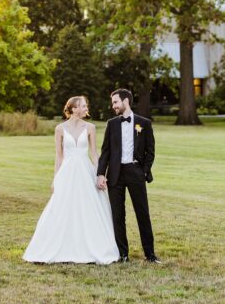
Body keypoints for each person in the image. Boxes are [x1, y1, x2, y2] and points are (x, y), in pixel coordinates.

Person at [23, 96, 120, 264]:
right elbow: (59, 157)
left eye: (85, 105)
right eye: (82, 105)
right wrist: (55, 178)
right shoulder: (60, 129)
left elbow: (94, 153)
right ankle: (59, 246)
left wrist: (100, 174)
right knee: (62, 206)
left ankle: (91, 247)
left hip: (85, 171)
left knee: (88, 207)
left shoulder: (90, 127)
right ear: (74, 109)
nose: (85, 108)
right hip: (67, 172)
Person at [96, 88, 159, 263]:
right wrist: (101, 173)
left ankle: (150, 254)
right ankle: (123, 254)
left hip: (135, 173)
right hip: (115, 174)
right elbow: (105, 151)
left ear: (126, 101)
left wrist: (143, 171)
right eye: (112, 103)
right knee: (118, 215)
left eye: (115, 102)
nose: (113, 106)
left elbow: (150, 151)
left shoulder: (144, 123)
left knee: (142, 214)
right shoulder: (112, 124)